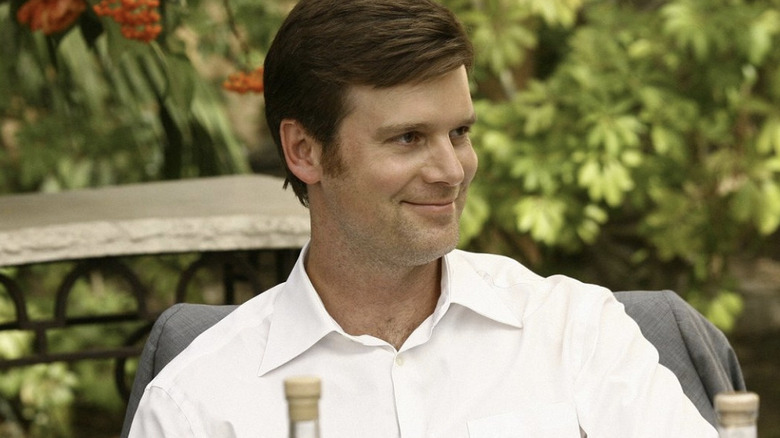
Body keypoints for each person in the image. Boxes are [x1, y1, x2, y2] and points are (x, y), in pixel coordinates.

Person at [128, 0, 718, 436]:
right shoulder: (198, 404)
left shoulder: (576, 331)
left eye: (459, 133)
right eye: (409, 138)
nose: (452, 170)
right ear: (305, 151)